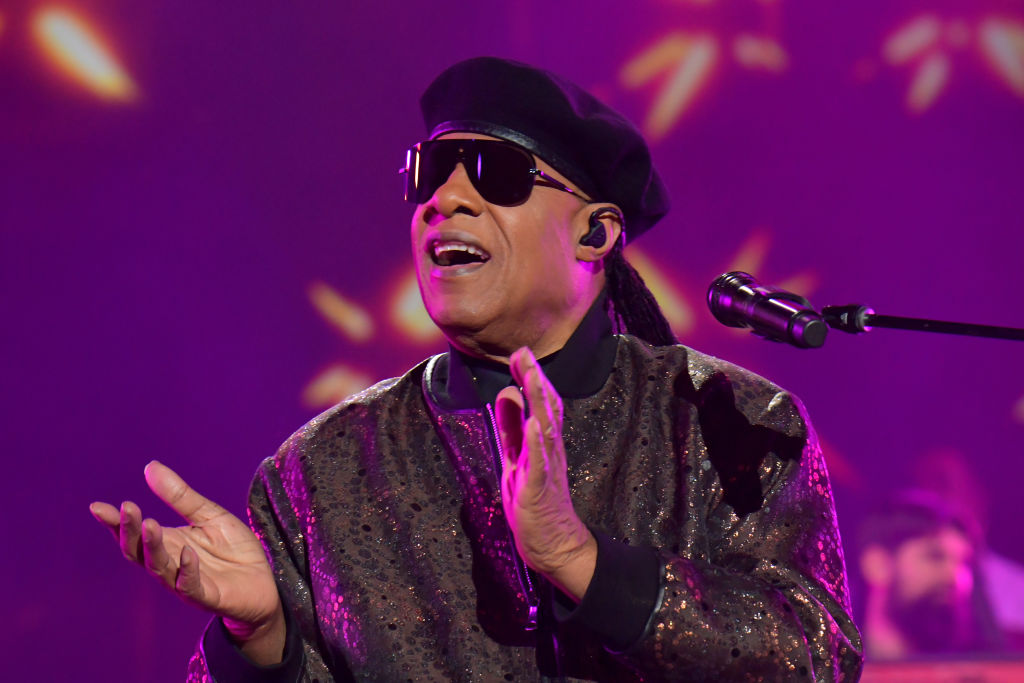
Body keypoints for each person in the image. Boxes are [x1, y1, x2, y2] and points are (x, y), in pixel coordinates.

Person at [91, 57, 862, 681]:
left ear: (596, 233)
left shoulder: (726, 418)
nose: (446, 199)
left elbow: (816, 657)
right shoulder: (321, 468)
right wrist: (257, 644)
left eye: (494, 173)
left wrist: (580, 562)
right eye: (431, 172)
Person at [857, 490, 1003, 659]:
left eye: (965, 564)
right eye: (935, 556)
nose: (956, 577)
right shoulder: (829, 668)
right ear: (877, 565)